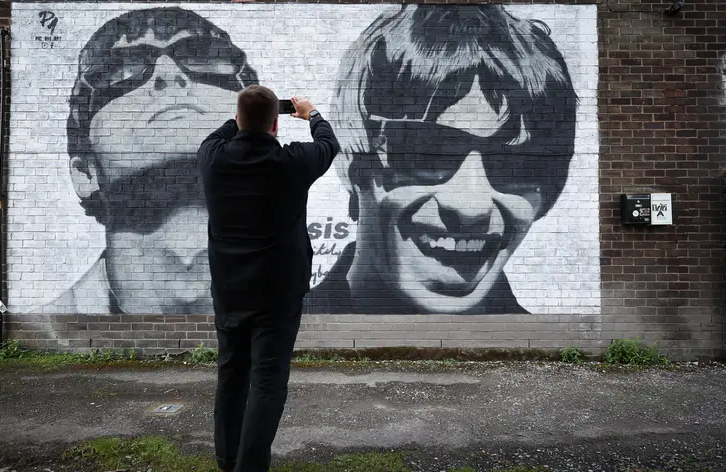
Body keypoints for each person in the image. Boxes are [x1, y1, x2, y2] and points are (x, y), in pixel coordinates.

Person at [305, 4, 578, 316]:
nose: (471, 207)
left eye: (516, 166)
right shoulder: (281, 333)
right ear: (356, 166)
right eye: (426, 152)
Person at [39, 7, 260, 316]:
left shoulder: (315, 309)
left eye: (204, 59)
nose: (168, 74)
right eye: (122, 71)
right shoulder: (42, 331)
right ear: (85, 173)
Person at [197, 86, 340, 472]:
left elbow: (222, 132)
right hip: (278, 293)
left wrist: (242, 117)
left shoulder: (212, 158)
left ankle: (228, 460)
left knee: (231, 373)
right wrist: (310, 114)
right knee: (267, 381)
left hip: (230, 290)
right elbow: (328, 144)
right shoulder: (291, 162)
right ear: (275, 125)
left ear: (238, 119)